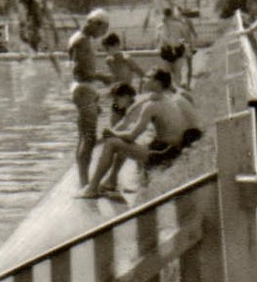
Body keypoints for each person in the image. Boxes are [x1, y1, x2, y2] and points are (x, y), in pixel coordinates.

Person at [80, 69, 205, 200]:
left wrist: (112, 133)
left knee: (113, 143)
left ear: (157, 83)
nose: (143, 79)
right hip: (170, 148)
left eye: (148, 77)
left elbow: (131, 136)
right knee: (125, 142)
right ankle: (111, 181)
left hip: (164, 153)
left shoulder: (151, 105)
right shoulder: (165, 99)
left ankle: (92, 189)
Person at [67, 9, 114, 185]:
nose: (102, 35)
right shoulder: (81, 41)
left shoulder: (80, 39)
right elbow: (81, 71)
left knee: (85, 136)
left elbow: (82, 70)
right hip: (83, 89)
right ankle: (84, 183)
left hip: (85, 90)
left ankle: (84, 181)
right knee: (88, 137)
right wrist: (103, 77)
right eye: (103, 30)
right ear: (95, 23)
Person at [158, 6, 197, 87]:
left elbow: (185, 37)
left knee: (177, 74)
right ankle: (172, 91)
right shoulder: (160, 26)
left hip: (177, 50)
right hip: (166, 51)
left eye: (167, 14)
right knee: (168, 75)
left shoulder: (178, 25)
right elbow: (158, 39)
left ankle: (177, 92)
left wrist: (187, 47)